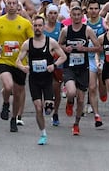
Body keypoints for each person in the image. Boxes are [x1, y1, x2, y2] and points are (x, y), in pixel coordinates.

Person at [16, 15, 66, 145]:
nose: (37, 28)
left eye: (40, 25)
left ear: (44, 27)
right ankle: (43, 133)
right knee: (38, 107)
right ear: (33, 27)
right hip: (34, 79)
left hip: (47, 79)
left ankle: (50, 107)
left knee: (48, 108)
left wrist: (53, 65)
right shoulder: (28, 43)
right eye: (35, 26)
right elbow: (18, 61)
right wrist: (23, 67)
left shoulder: (51, 42)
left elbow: (63, 56)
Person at [0, 0, 33, 132]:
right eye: (9, 3)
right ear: (5, 5)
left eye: (14, 3)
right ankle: (5, 103)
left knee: (18, 93)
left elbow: (32, 42)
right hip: (3, 59)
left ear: (18, 6)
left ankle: (14, 118)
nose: (12, 6)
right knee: (8, 85)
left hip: (20, 62)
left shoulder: (25, 23)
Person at [59, 2, 102, 135]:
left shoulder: (87, 30)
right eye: (74, 15)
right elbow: (59, 44)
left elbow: (98, 47)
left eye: (79, 15)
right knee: (71, 92)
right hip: (70, 66)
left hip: (83, 67)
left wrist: (86, 49)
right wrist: (65, 48)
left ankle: (76, 124)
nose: (76, 17)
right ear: (70, 16)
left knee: (82, 100)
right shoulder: (65, 30)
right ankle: (70, 102)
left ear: (82, 16)